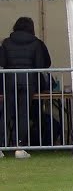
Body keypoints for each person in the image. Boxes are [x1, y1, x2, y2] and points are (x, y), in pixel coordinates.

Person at [1, 17, 53, 158]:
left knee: (6, 112)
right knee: (24, 113)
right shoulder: (36, 43)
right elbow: (43, 64)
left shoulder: (6, 43)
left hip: (9, 80)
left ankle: (0, 146)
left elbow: (2, 61)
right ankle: (19, 147)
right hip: (28, 81)